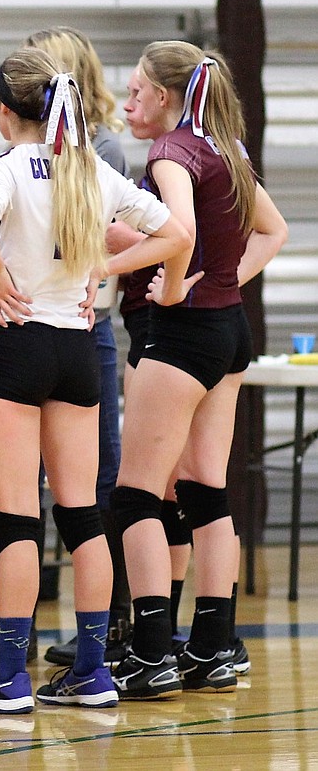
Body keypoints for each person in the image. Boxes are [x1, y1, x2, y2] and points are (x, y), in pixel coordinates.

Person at [0, 47, 190, 715]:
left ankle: (9, 676)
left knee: (16, 520)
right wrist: (116, 273)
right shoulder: (90, 170)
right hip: (79, 351)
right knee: (82, 516)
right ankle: (91, 670)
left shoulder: (9, 166)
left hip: (14, 346)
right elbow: (176, 232)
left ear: (3, 111)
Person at [110, 42, 287, 699]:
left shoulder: (171, 153)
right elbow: (274, 233)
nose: (130, 103)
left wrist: (181, 287)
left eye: (135, 91)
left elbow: (178, 230)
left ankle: (152, 653)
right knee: (205, 489)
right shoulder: (225, 145)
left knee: (136, 495)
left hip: (185, 338)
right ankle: (213, 648)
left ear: (163, 96)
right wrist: (222, 284)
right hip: (230, 330)